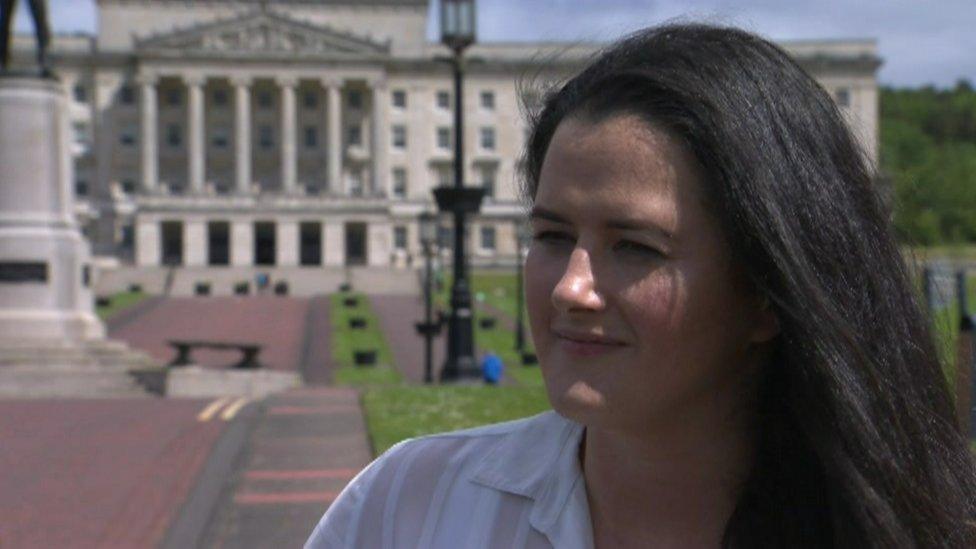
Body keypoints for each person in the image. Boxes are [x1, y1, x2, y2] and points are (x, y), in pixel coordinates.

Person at [306, 23, 976, 548]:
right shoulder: (407, 506)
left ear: (769, 290)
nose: (571, 287)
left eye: (633, 247)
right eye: (552, 235)